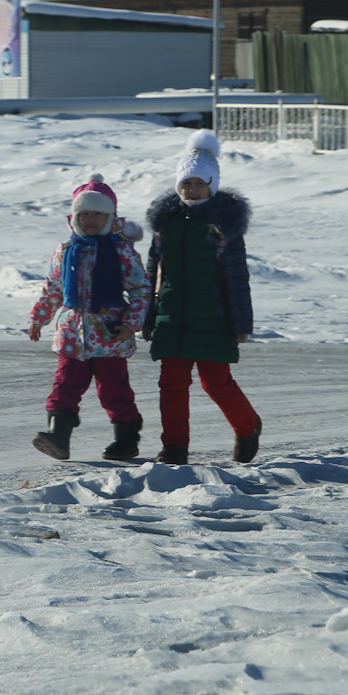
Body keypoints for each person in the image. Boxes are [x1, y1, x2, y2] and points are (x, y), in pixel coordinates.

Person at [143, 130, 262, 465]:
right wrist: (148, 316)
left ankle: (247, 426)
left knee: (216, 381)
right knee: (171, 384)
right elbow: (153, 272)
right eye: (186, 183)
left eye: (199, 183)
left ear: (212, 184)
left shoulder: (224, 224)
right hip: (172, 314)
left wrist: (241, 322)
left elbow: (237, 277)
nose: (191, 189)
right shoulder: (165, 223)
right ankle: (175, 447)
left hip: (213, 316)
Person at [27, 174, 149, 461]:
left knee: (114, 392)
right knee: (64, 385)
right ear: (74, 217)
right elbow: (53, 288)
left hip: (110, 334)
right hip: (72, 334)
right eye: (85, 214)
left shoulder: (122, 252)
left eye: (98, 214)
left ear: (109, 218)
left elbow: (141, 289)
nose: (91, 220)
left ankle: (126, 440)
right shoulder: (66, 251)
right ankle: (58, 436)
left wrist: (131, 325)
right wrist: (39, 317)